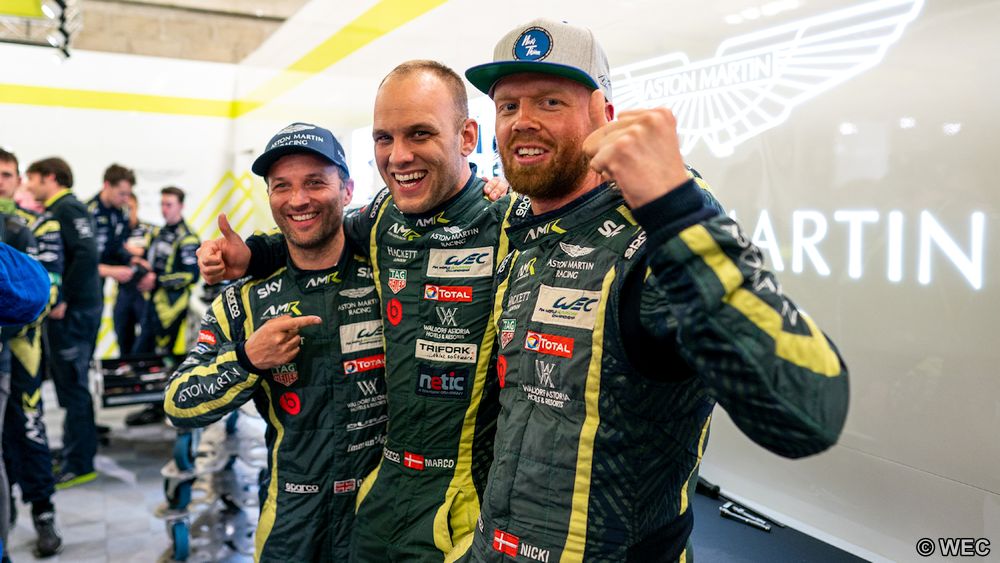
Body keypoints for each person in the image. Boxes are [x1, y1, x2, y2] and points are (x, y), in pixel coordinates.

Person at [452, 19, 852, 562]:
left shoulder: (650, 244)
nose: (523, 121)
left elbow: (808, 413)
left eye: (550, 102)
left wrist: (675, 206)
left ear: (604, 116)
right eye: (508, 106)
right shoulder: (521, 234)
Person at [198, 61, 514, 561]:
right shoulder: (383, 215)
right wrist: (254, 254)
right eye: (384, 138)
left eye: (420, 133)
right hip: (383, 497)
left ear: (468, 137)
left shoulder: (510, 220)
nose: (399, 155)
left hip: (468, 504)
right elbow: (318, 233)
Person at [165, 123, 387, 561]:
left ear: (347, 191)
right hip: (291, 513)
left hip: (383, 510)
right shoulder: (245, 300)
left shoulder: (389, 274)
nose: (298, 199)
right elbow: (178, 403)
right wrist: (247, 360)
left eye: (315, 182)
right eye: (281, 186)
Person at [24, 157, 102, 490]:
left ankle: (80, 463)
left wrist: (62, 297)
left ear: (51, 178)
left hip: (74, 313)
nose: (28, 185)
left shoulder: (68, 208)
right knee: (69, 385)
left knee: (74, 386)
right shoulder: (61, 208)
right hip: (73, 311)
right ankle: (72, 453)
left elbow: (86, 254)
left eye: (32, 179)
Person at [0, 149, 63, 557]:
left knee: (29, 430)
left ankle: (44, 513)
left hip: (22, 350)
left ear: (18, 180)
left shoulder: (25, 228)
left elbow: (47, 293)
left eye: (6, 174)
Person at [112, 191, 153, 358]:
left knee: (145, 340)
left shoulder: (147, 230)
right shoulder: (117, 229)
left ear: (137, 207)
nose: (128, 212)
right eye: (124, 208)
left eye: (131, 208)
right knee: (122, 337)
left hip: (143, 292)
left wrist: (123, 248)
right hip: (123, 290)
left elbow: (143, 252)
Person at [89, 164, 137, 299]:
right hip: (80, 286)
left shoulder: (121, 213)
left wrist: (132, 259)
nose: (126, 199)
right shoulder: (87, 212)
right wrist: (110, 271)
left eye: (128, 194)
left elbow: (116, 247)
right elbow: (78, 259)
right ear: (107, 185)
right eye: (122, 193)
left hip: (99, 285)